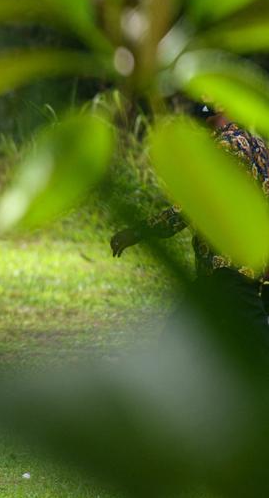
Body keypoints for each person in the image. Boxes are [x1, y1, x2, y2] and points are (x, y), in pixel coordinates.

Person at [110, 103, 269, 350]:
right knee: (184, 338)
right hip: (238, 268)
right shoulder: (258, 145)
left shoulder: (222, 148)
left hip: (227, 269)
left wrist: (139, 231)